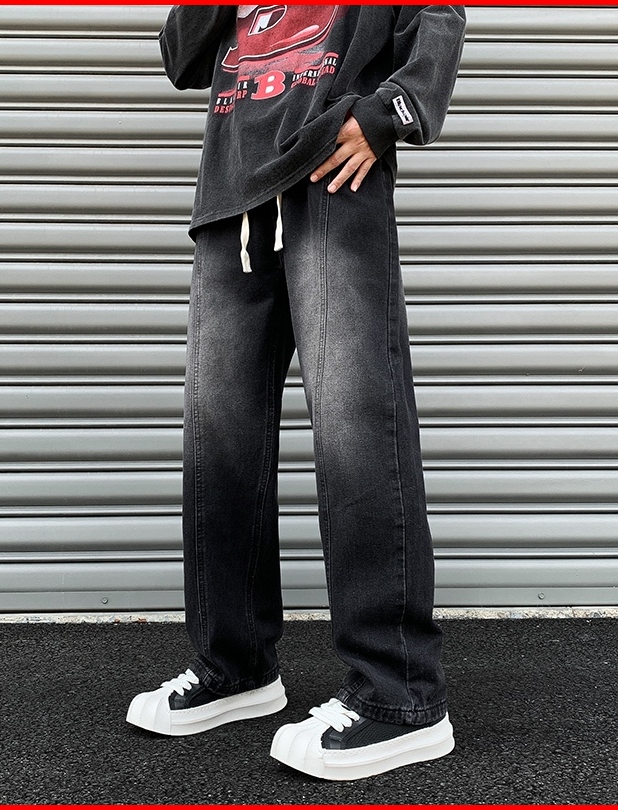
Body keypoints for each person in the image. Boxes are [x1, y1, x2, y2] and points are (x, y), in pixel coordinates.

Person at [127, 4, 466, 781]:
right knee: (221, 445)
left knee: (357, 432)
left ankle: (401, 697)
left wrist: (391, 112)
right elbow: (181, 57)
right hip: (229, 200)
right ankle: (235, 665)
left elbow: (437, 16)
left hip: (329, 185)